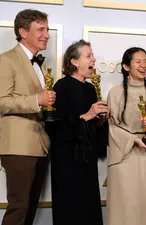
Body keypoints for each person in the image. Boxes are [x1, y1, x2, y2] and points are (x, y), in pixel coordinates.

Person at [0, 9, 55, 225]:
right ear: (23, 32)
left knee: (30, 208)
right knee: (19, 207)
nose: (47, 34)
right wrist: (36, 100)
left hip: (40, 145)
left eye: (47, 29)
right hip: (17, 146)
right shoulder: (6, 60)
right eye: (40, 29)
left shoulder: (39, 64)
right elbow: (2, 100)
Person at [50, 39, 108, 225]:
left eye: (92, 55)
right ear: (74, 62)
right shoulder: (61, 86)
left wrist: (102, 119)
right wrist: (87, 115)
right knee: (70, 208)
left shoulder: (90, 88)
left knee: (88, 206)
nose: (94, 59)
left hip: (87, 159)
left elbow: (91, 126)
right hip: (67, 160)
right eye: (88, 55)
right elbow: (56, 126)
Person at [106, 47, 146, 225]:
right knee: (124, 206)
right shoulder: (115, 93)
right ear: (126, 66)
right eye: (138, 61)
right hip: (123, 155)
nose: (143, 65)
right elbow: (112, 126)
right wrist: (133, 139)